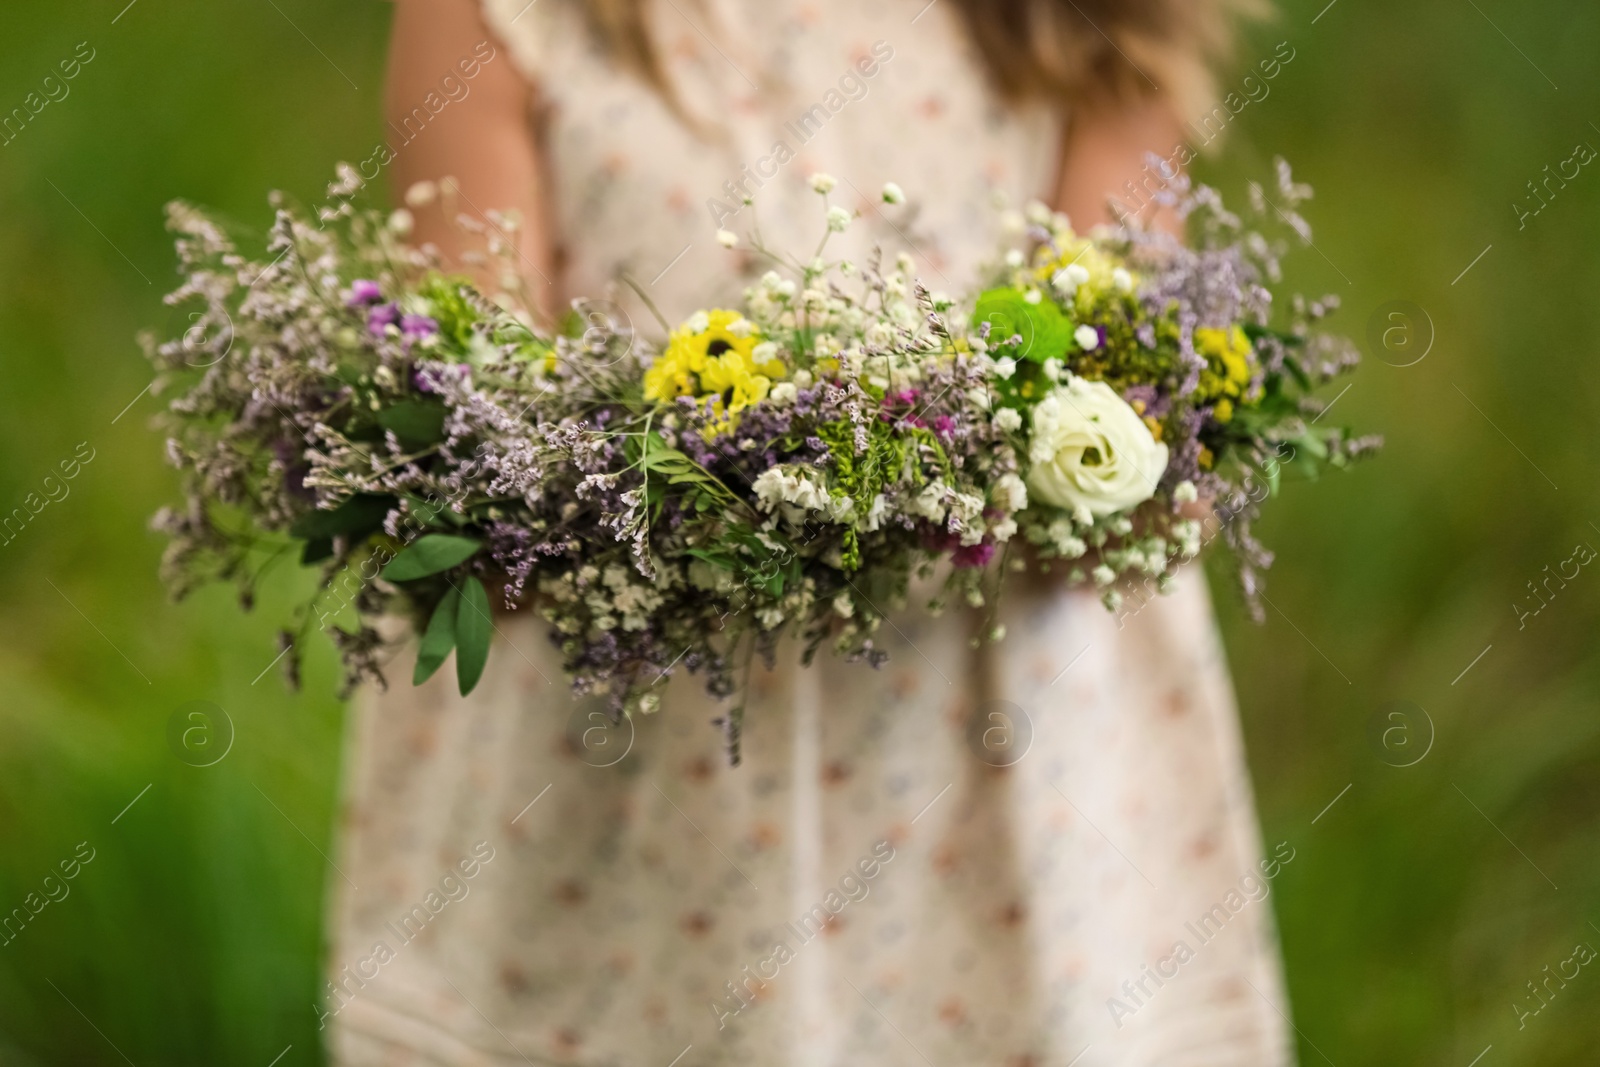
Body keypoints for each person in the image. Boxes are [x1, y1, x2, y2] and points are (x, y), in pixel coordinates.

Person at [326, 1, 1294, 1063]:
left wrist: (1119, 471)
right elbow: (476, 460)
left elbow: (1126, 391)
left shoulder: (1091, 21)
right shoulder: (512, 16)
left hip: (997, 785)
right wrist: (622, 505)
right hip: (625, 776)